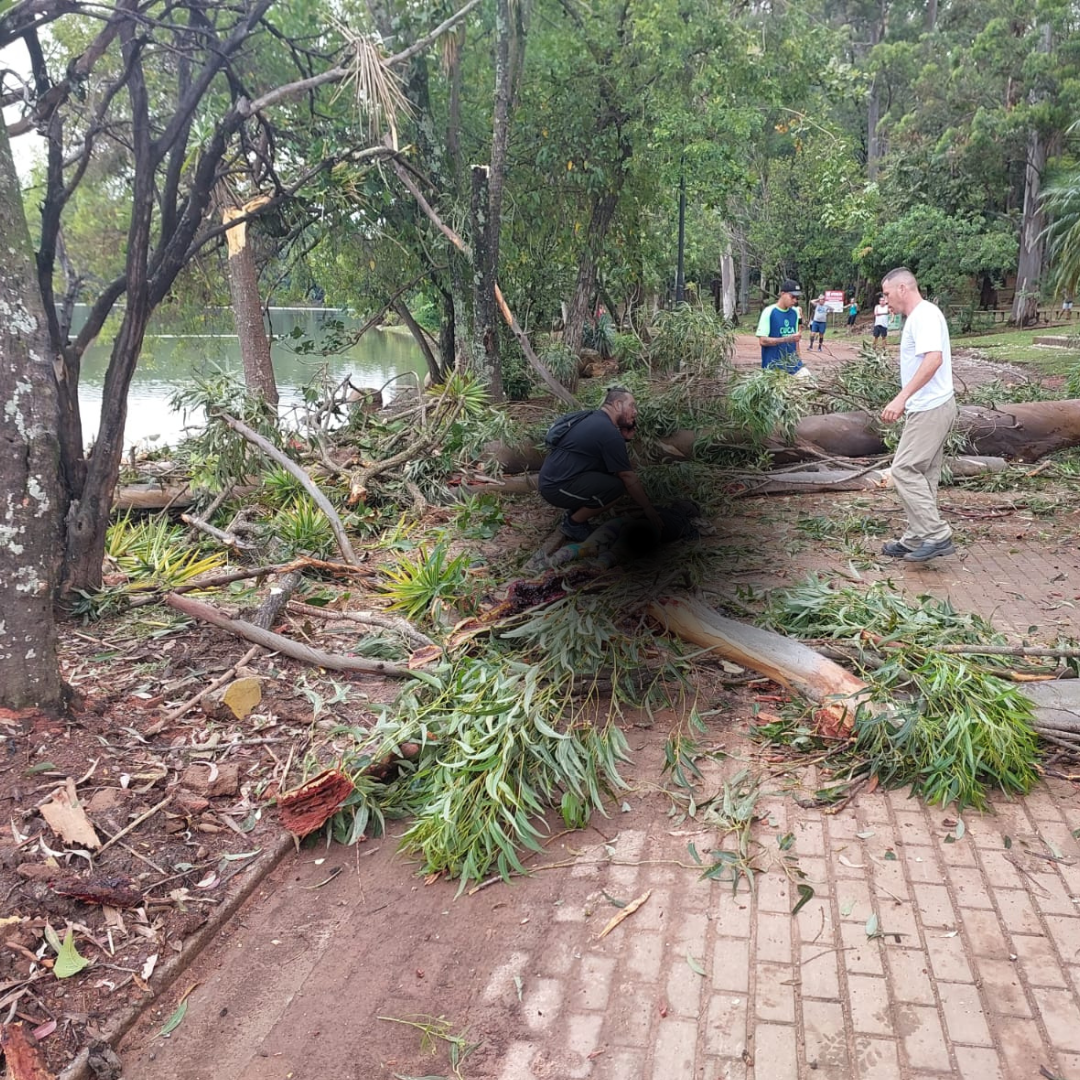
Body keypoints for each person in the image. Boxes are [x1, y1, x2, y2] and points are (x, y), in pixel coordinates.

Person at [879, 267, 957, 563]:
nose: (885, 301)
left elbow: (933, 360)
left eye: (887, 294)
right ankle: (915, 538)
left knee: (903, 470)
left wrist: (901, 398)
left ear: (902, 289)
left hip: (930, 408)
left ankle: (936, 535)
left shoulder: (923, 315)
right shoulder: (920, 316)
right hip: (931, 406)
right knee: (924, 475)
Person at [539, 387, 664, 542]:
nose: (635, 411)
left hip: (556, 479)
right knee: (618, 487)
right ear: (618, 404)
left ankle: (576, 511)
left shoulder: (595, 418)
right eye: (631, 405)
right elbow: (627, 476)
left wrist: (623, 438)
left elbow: (604, 456)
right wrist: (648, 508)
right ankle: (573, 523)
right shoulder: (609, 433)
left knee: (611, 476)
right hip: (556, 487)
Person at [756, 279, 806, 375]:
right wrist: (786, 339)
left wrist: (799, 358)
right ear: (783, 294)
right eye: (792, 297)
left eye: (797, 297)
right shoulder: (769, 312)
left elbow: (796, 338)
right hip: (774, 368)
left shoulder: (795, 312)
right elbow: (762, 341)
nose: (795, 300)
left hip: (793, 365)